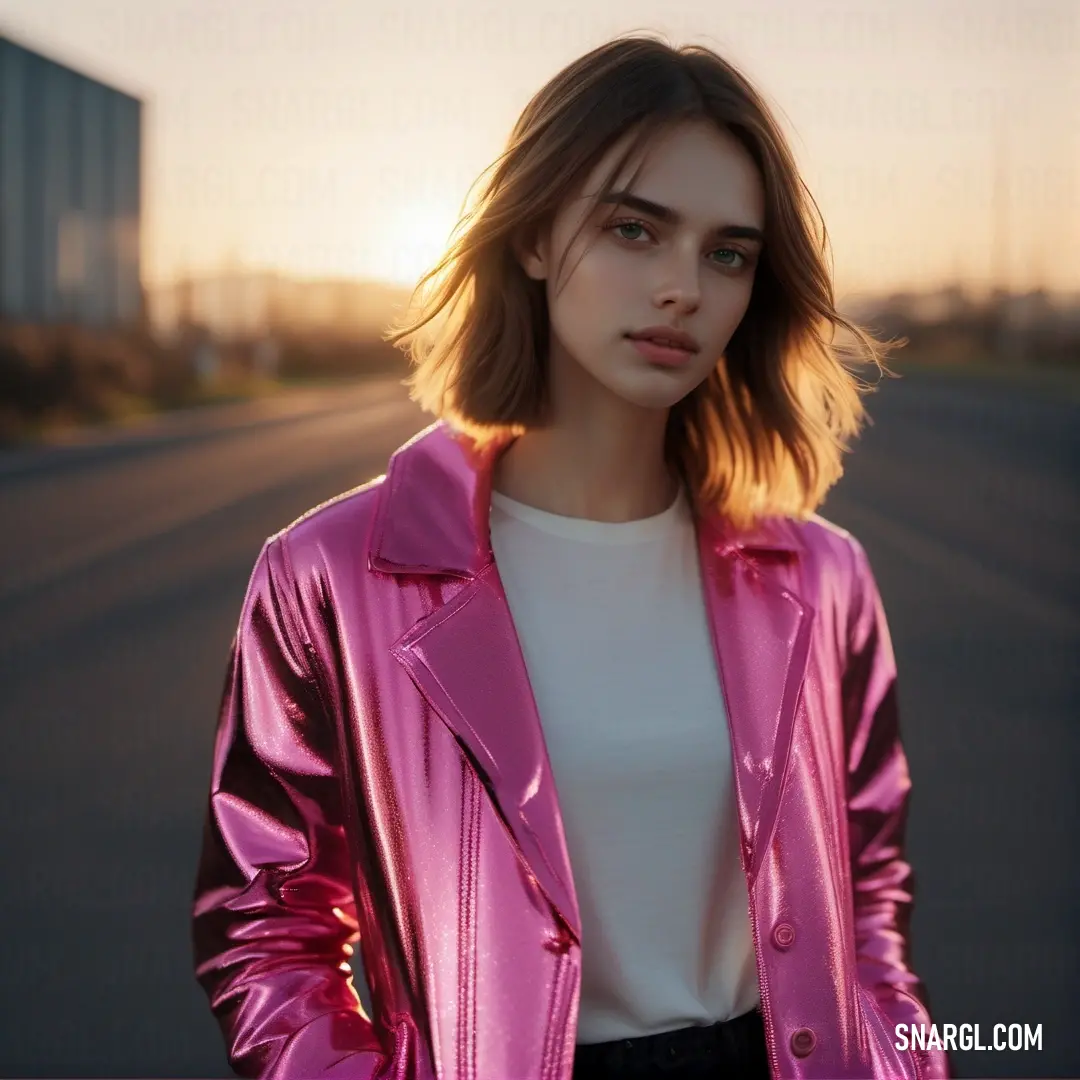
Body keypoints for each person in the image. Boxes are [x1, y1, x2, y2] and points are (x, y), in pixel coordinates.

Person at [192, 33, 952, 1080]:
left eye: (726, 253)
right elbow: (267, 925)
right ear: (538, 236)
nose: (682, 287)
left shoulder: (825, 581)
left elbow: (869, 909)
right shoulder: (328, 575)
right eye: (636, 230)